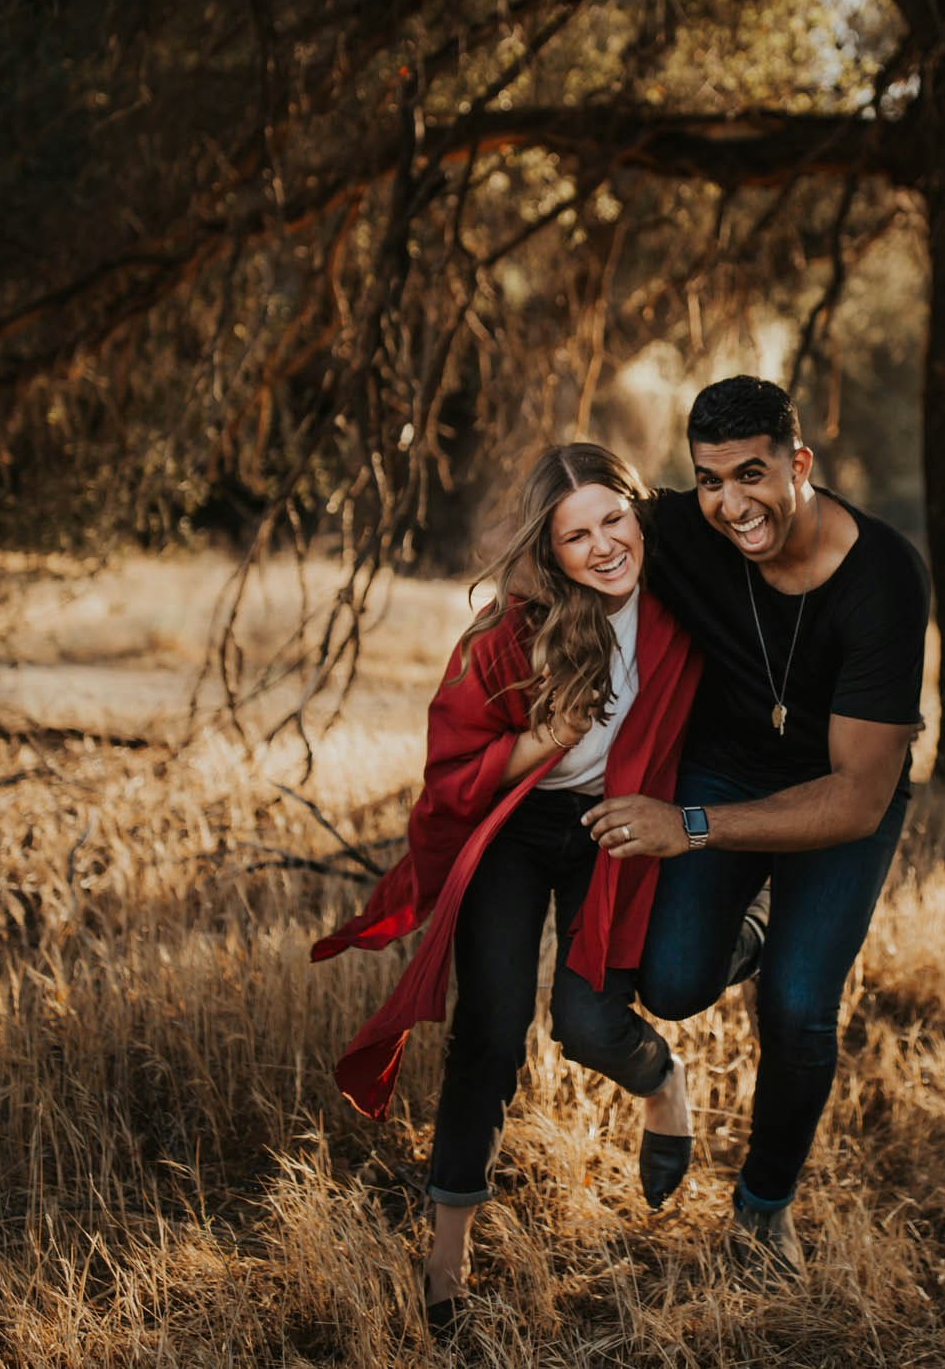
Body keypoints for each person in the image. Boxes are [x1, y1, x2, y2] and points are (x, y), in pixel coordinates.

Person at [309, 443, 703, 1330]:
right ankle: (446, 1265)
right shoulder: (507, 633)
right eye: (576, 535)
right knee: (489, 1027)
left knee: (585, 1020)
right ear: (549, 549)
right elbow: (449, 771)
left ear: (639, 514)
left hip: (619, 825)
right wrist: (542, 737)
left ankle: (663, 1086)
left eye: (614, 519)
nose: (603, 546)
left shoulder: (686, 608)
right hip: (520, 830)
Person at [581, 376, 930, 1278]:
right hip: (727, 761)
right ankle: (758, 933)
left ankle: (762, 1209)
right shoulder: (682, 530)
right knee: (673, 982)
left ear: (798, 463)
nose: (732, 505)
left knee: (802, 1006)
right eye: (708, 481)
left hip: (844, 784)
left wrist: (687, 826)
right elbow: (574, 521)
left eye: (751, 475)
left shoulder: (884, 578)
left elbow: (856, 797)